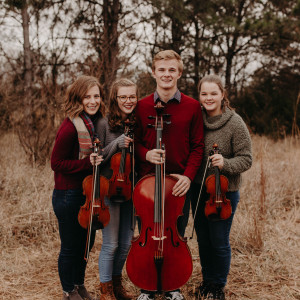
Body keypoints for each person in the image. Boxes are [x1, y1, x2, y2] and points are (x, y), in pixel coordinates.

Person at [134, 50, 205, 300]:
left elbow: (198, 147)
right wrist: (146, 154)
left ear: (179, 73)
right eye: (162, 69)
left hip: (178, 184)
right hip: (147, 186)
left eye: (172, 70)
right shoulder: (141, 106)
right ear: (153, 72)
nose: (166, 74)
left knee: (176, 232)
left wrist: (187, 176)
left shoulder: (192, 106)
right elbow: (133, 143)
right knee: (148, 234)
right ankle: (146, 287)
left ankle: (173, 285)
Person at [191, 75, 252, 300]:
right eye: (204, 94)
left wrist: (225, 163)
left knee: (219, 239)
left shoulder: (235, 122)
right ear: (199, 96)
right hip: (198, 190)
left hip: (224, 192)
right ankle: (207, 281)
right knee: (203, 239)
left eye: (213, 93)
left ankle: (218, 286)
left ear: (222, 95)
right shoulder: (196, 119)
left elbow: (246, 159)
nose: (209, 98)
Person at [51, 75, 105, 300]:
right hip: (68, 195)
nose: (93, 101)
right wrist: (86, 163)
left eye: (96, 96)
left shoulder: (94, 124)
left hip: (87, 194)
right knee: (71, 246)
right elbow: (56, 163)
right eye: (87, 97)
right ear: (78, 99)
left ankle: (79, 284)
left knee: (86, 244)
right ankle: (68, 291)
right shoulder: (70, 127)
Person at [96, 78, 137, 300]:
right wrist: (116, 144)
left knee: (125, 244)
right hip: (110, 190)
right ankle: (106, 290)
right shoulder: (103, 124)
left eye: (132, 96)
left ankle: (117, 284)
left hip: (132, 191)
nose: (128, 101)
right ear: (115, 98)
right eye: (123, 97)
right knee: (110, 244)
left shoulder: (139, 123)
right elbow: (97, 159)